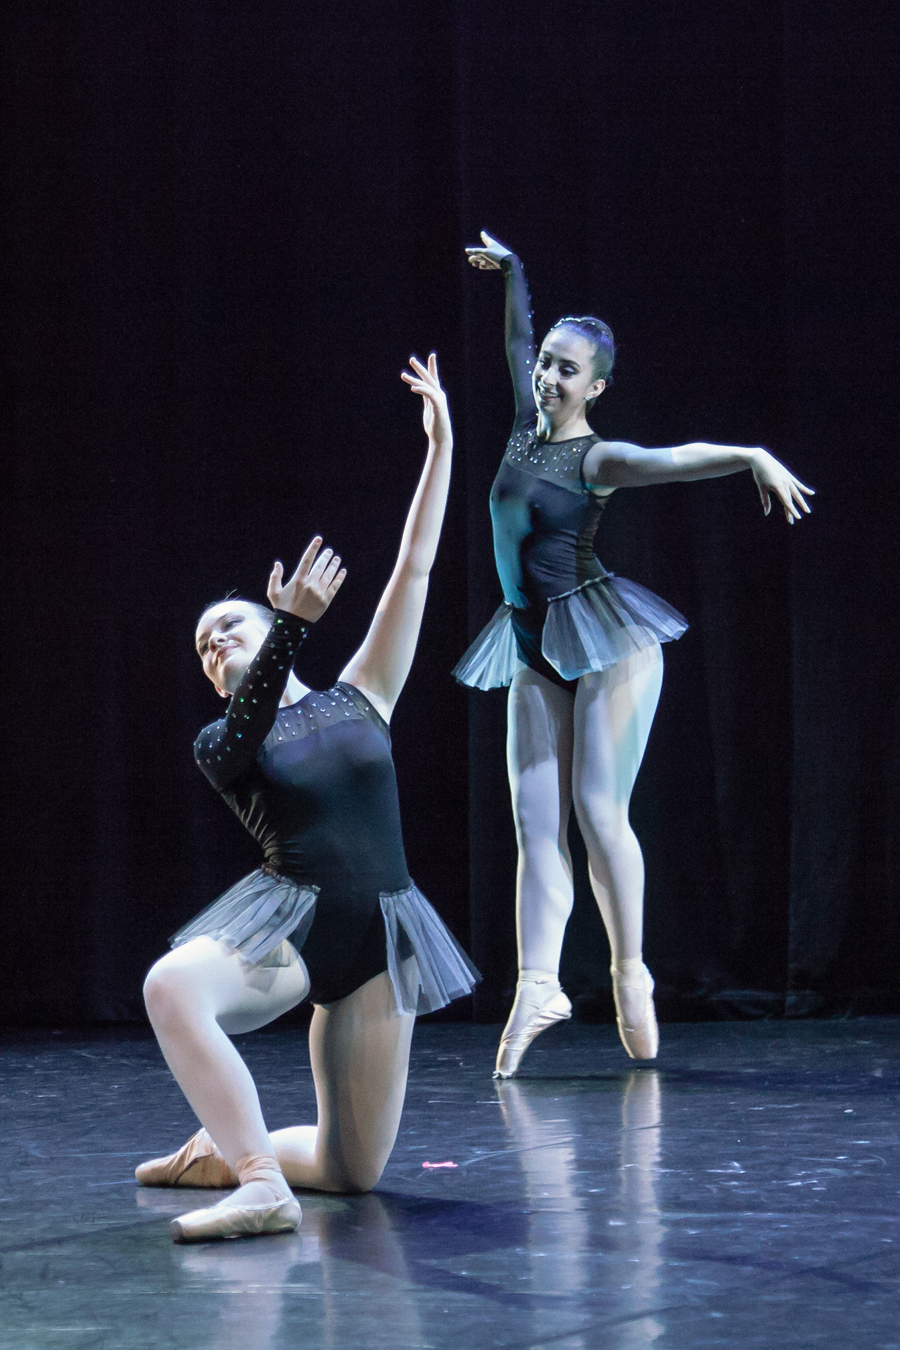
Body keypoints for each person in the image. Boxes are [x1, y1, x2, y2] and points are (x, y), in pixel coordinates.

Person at [137, 354, 478, 1242]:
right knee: (172, 987)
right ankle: (257, 1181)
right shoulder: (223, 743)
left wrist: (441, 449)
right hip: (291, 926)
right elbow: (246, 725)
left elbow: (416, 568)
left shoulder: (362, 693)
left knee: (352, 1172)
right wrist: (285, 627)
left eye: (230, 627)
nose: (216, 646)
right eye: (206, 648)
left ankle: (220, 1151)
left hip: (381, 937)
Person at [457, 232, 813, 1078]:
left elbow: (675, 462)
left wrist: (752, 455)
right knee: (532, 825)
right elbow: (514, 338)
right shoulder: (519, 427)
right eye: (547, 364)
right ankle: (538, 984)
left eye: (567, 371)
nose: (548, 377)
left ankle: (629, 972)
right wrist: (514, 273)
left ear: (598, 387)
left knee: (594, 811)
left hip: (607, 644)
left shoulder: (597, 456)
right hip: (530, 639)